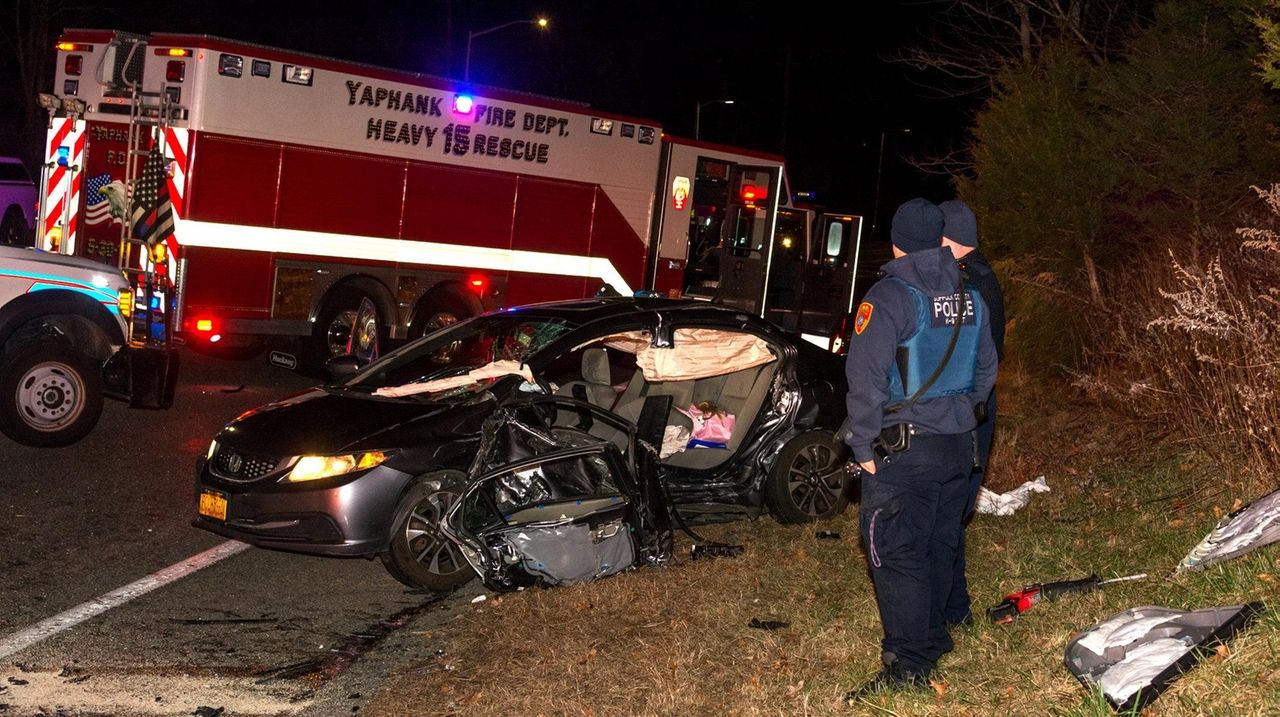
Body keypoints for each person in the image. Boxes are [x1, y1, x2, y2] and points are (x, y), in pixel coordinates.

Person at [843, 198, 997, 698]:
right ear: (939, 241)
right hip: (957, 446)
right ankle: (933, 635)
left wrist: (862, 442)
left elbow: (864, 377)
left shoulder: (888, 296)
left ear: (896, 242)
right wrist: (961, 414)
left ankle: (909, 664)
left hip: (904, 451)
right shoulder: (971, 294)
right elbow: (986, 371)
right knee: (936, 542)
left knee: (895, 550)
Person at [938, 199, 1006, 628]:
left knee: (949, 510)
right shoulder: (978, 276)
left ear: (949, 240)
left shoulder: (972, 285)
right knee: (950, 510)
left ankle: (951, 608)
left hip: (970, 410)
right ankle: (954, 607)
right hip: (973, 407)